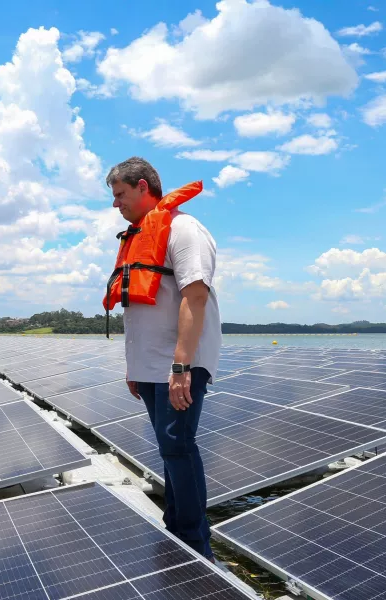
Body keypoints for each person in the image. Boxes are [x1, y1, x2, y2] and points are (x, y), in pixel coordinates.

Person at [103, 156, 221, 560]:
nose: (116, 204)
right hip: (150, 366)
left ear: (141, 186)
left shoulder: (184, 230)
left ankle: (193, 544)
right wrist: (133, 367)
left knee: (177, 445)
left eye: (120, 195)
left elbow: (196, 295)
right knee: (168, 447)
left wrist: (180, 366)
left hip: (178, 365)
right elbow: (138, 312)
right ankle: (176, 530)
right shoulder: (137, 235)